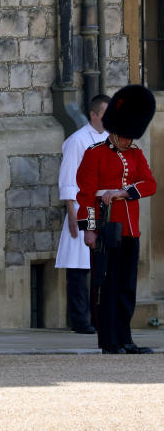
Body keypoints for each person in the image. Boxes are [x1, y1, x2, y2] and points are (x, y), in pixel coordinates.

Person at [77, 85, 156, 354]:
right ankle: (109, 341)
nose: (128, 142)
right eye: (124, 137)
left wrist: (124, 191)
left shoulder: (136, 154)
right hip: (106, 229)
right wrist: (89, 230)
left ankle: (126, 338)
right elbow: (85, 196)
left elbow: (150, 184)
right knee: (106, 288)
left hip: (130, 231)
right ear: (113, 132)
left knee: (126, 289)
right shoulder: (94, 154)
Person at [55, 95, 110, 335]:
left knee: (101, 265)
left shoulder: (111, 140)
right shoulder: (77, 141)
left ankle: (99, 316)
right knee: (79, 266)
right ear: (94, 115)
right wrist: (71, 211)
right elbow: (68, 177)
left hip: (105, 207)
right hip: (82, 206)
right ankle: (79, 319)